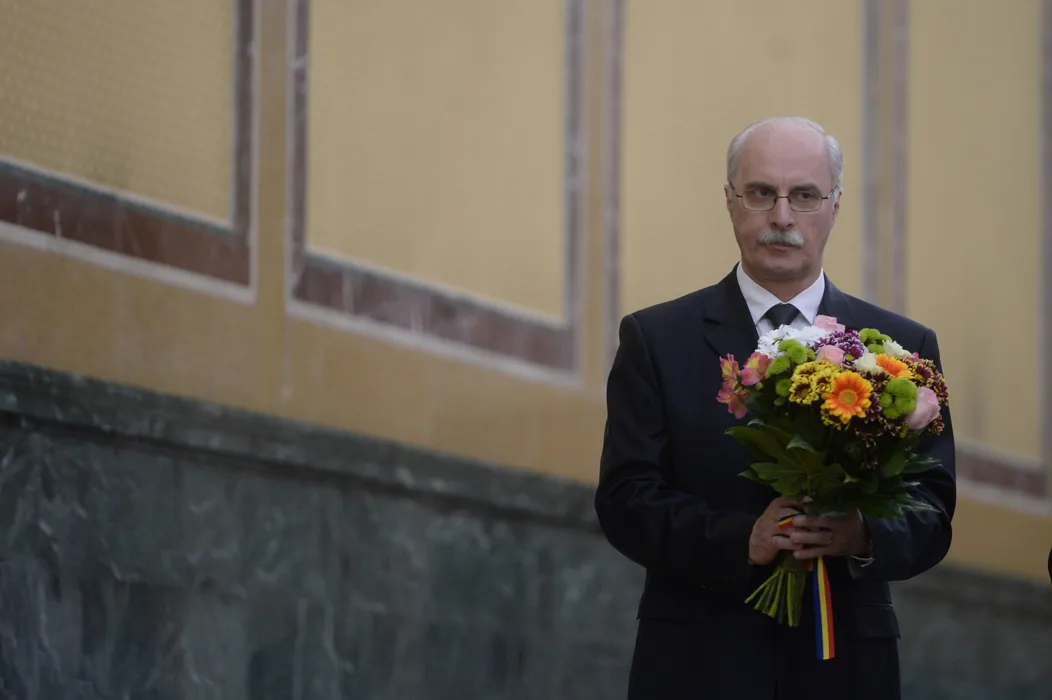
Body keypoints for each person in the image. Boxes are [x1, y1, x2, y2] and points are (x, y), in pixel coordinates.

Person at [594, 116, 957, 700]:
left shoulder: (902, 348)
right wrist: (744, 539)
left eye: (805, 195)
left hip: (846, 667)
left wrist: (860, 533)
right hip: (697, 663)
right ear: (730, 201)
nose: (782, 216)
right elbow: (625, 499)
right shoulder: (658, 339)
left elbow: (932, 509)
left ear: (835, 206)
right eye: (761, 193)